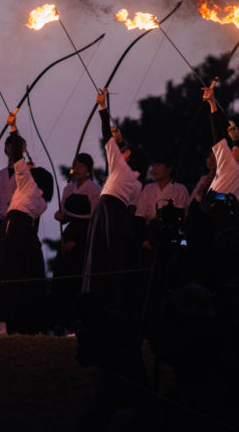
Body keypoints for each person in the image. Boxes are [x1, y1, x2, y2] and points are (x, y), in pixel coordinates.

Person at [82, 88, 149, 317]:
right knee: (111, 261)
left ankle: (91, 313)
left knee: (97, 258)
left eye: (127, 153)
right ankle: (111, 310)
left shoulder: (121, 168)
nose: (124, 154)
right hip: (118, 216)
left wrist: (102, 108)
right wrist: (121, 143)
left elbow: (107, 139)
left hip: (106, 212)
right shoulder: (137, 183)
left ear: (131, 159)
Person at [0, 111, 53, 335]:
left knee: (9, 270)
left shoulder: (28, 185)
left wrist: (13, 128)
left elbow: (17, 160)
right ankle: (23, 322)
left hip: (16, 228)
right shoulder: (41, 200)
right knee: (18, 271)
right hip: (15, 228)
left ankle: (4, 322)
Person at [51, 152, 100, 334]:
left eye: (81, 166)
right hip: (68, 232)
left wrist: (76, 240)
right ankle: (60, 322)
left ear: (88, 170)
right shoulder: (68, 189)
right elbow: (63, 212)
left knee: (76, 278)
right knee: (61, 276)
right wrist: (60, 215)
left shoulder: (94, 189)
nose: (77, 169)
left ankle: (76, 323)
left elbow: (94, 217)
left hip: (84, 234)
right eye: (75, 165)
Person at [201, 84, 239, 202]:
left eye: (233, 150)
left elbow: (218, 136)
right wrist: (236, 140)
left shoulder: (230, 166)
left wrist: (212, 103)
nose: (229, 150)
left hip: (213, 212)